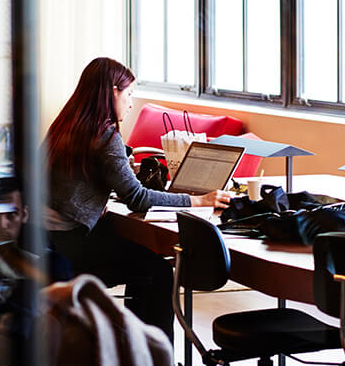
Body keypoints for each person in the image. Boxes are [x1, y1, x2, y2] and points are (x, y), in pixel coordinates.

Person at [44, 57, 231, 346]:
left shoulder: (65, 124)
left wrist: (93, 202)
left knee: (143, 258)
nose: (132, 102)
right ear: (112, 92)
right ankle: (157, 364)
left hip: (46, 237)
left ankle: (136, 353)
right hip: (71, 241)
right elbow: (138, 199)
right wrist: (199, 200)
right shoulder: (104, 134)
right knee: (156, 270)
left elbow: (68, 184)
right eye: (129, 93)